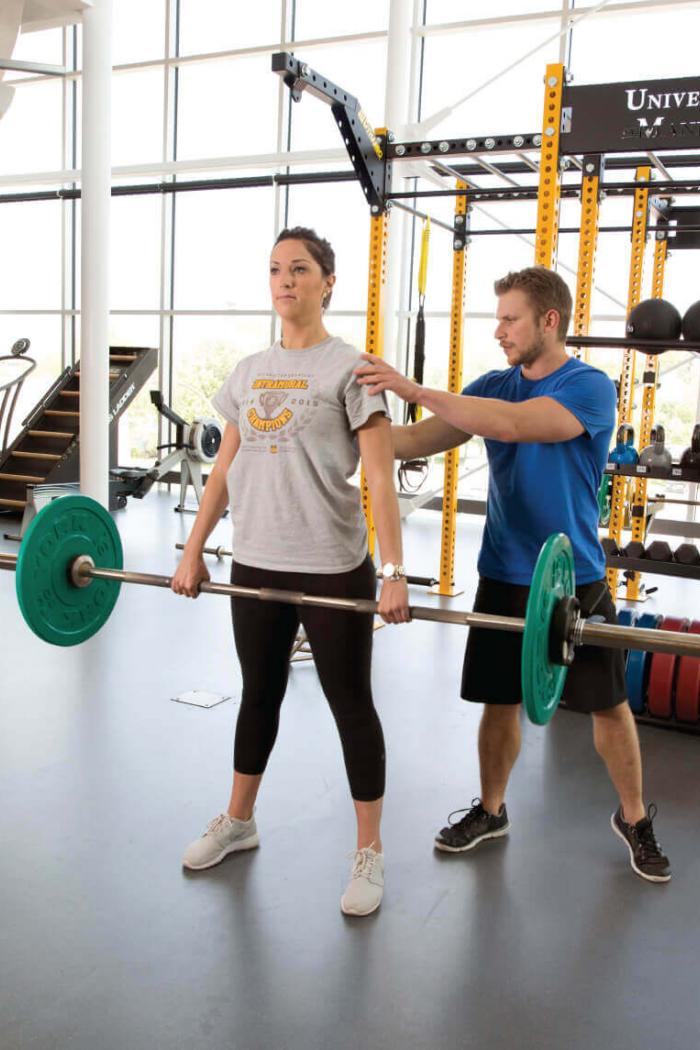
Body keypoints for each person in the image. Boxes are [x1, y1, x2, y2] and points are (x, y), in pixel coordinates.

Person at [354, 265, 671, 884]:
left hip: (574, 577)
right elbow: (412, 442)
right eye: (497, 318)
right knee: (498, 703)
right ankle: (492, 810)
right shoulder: (491, 386)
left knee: (608, 706)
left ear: (549, 321)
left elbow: (513, 425)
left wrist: (413, 387)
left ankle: (634, 818)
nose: (498, 331)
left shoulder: (588, 387)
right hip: (503, 572)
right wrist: (343, 424)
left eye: (510, 319)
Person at [173, 226, 410, 916]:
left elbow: (379, 477)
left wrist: (393, 569)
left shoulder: (353, 370)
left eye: (300, 269)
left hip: (332, 564)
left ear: (328, 283)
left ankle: (369, 851)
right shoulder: (249, 371)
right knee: (259, 694)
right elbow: (223, 471)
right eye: (276, 269)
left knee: (350, 704)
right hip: (256, 560)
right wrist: (193, 549)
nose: (285, 280)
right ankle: (239, 820)